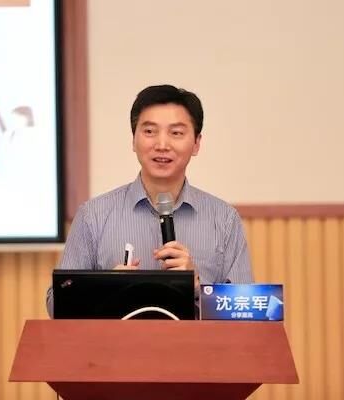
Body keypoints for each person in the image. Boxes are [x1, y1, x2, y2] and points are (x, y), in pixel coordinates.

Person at [46, 84, 253, 317]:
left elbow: (247, 311)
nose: (162, 145)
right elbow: (56, 305)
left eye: (176, 133)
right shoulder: (93, 216)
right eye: (150, 131)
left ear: (196, 143)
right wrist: (106, 287)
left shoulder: (224, 219)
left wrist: (199, 288)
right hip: (119, 342)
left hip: (196, 342)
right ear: (133, 140)